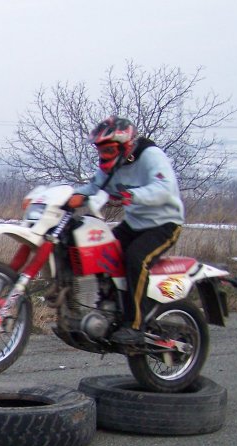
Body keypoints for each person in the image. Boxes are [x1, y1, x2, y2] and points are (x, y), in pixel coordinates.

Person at [64, 116, 185, 345]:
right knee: (102, 253)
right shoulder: (113, 165)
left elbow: (165, 188)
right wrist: (71, 196)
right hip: (134, 223)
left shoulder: (150, 156)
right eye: (100, 150)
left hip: (164, 224)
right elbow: (95, 186)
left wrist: (132, 195)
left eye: (109, 149)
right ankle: (109, 310)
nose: (104, 155)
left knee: (135, 259)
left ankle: (135, 326)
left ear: (126, 145)